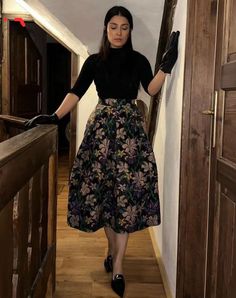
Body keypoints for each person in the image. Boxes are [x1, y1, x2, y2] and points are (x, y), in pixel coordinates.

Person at [25, 6, 179, 297]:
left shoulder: (138, 60)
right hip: (100, 136)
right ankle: (111, 249)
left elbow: (152, 89)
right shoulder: (94, 62)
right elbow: (76, 91)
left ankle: (118, 266)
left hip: (130, 137)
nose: (118, 32)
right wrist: (55, 117)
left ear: (130, 31)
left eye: (124, 27)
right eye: (113, 26)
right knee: (107, 197)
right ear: (106, 29)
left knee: (125, 197)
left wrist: (166, 66)